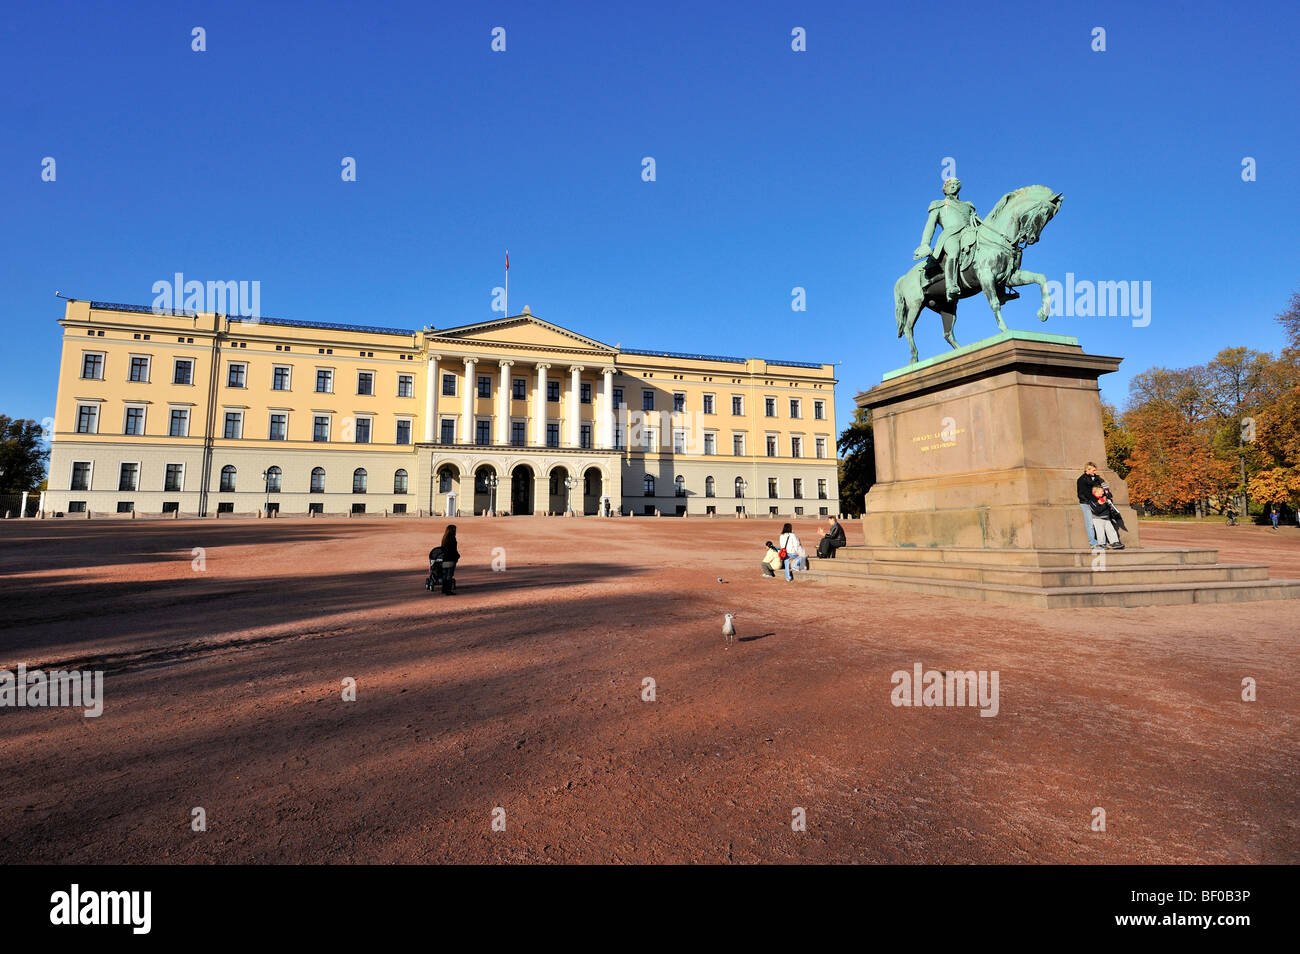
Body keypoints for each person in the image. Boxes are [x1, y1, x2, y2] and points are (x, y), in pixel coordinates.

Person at [1077, 462, 1104, 548]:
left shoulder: (1097, 478)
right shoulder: (1081, 480)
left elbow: (1101, 489)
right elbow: (1086, 493)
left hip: (1096, 502)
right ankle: (1093, 543)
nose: (1095, 472)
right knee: (1090, 523)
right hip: (1086, 503)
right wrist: (1097, 500)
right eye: (1093, 470)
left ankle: (1102, 541)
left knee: (1098, 522)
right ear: (1087, 470)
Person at [438, 524, 460, 593]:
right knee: (449, 575)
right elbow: (453, 550)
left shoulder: (444, 538)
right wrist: (457, 556)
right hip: (451, 559)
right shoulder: (452, 538)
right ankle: (448, 590)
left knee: (445, 575)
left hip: (444, 559)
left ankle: (444, 589)